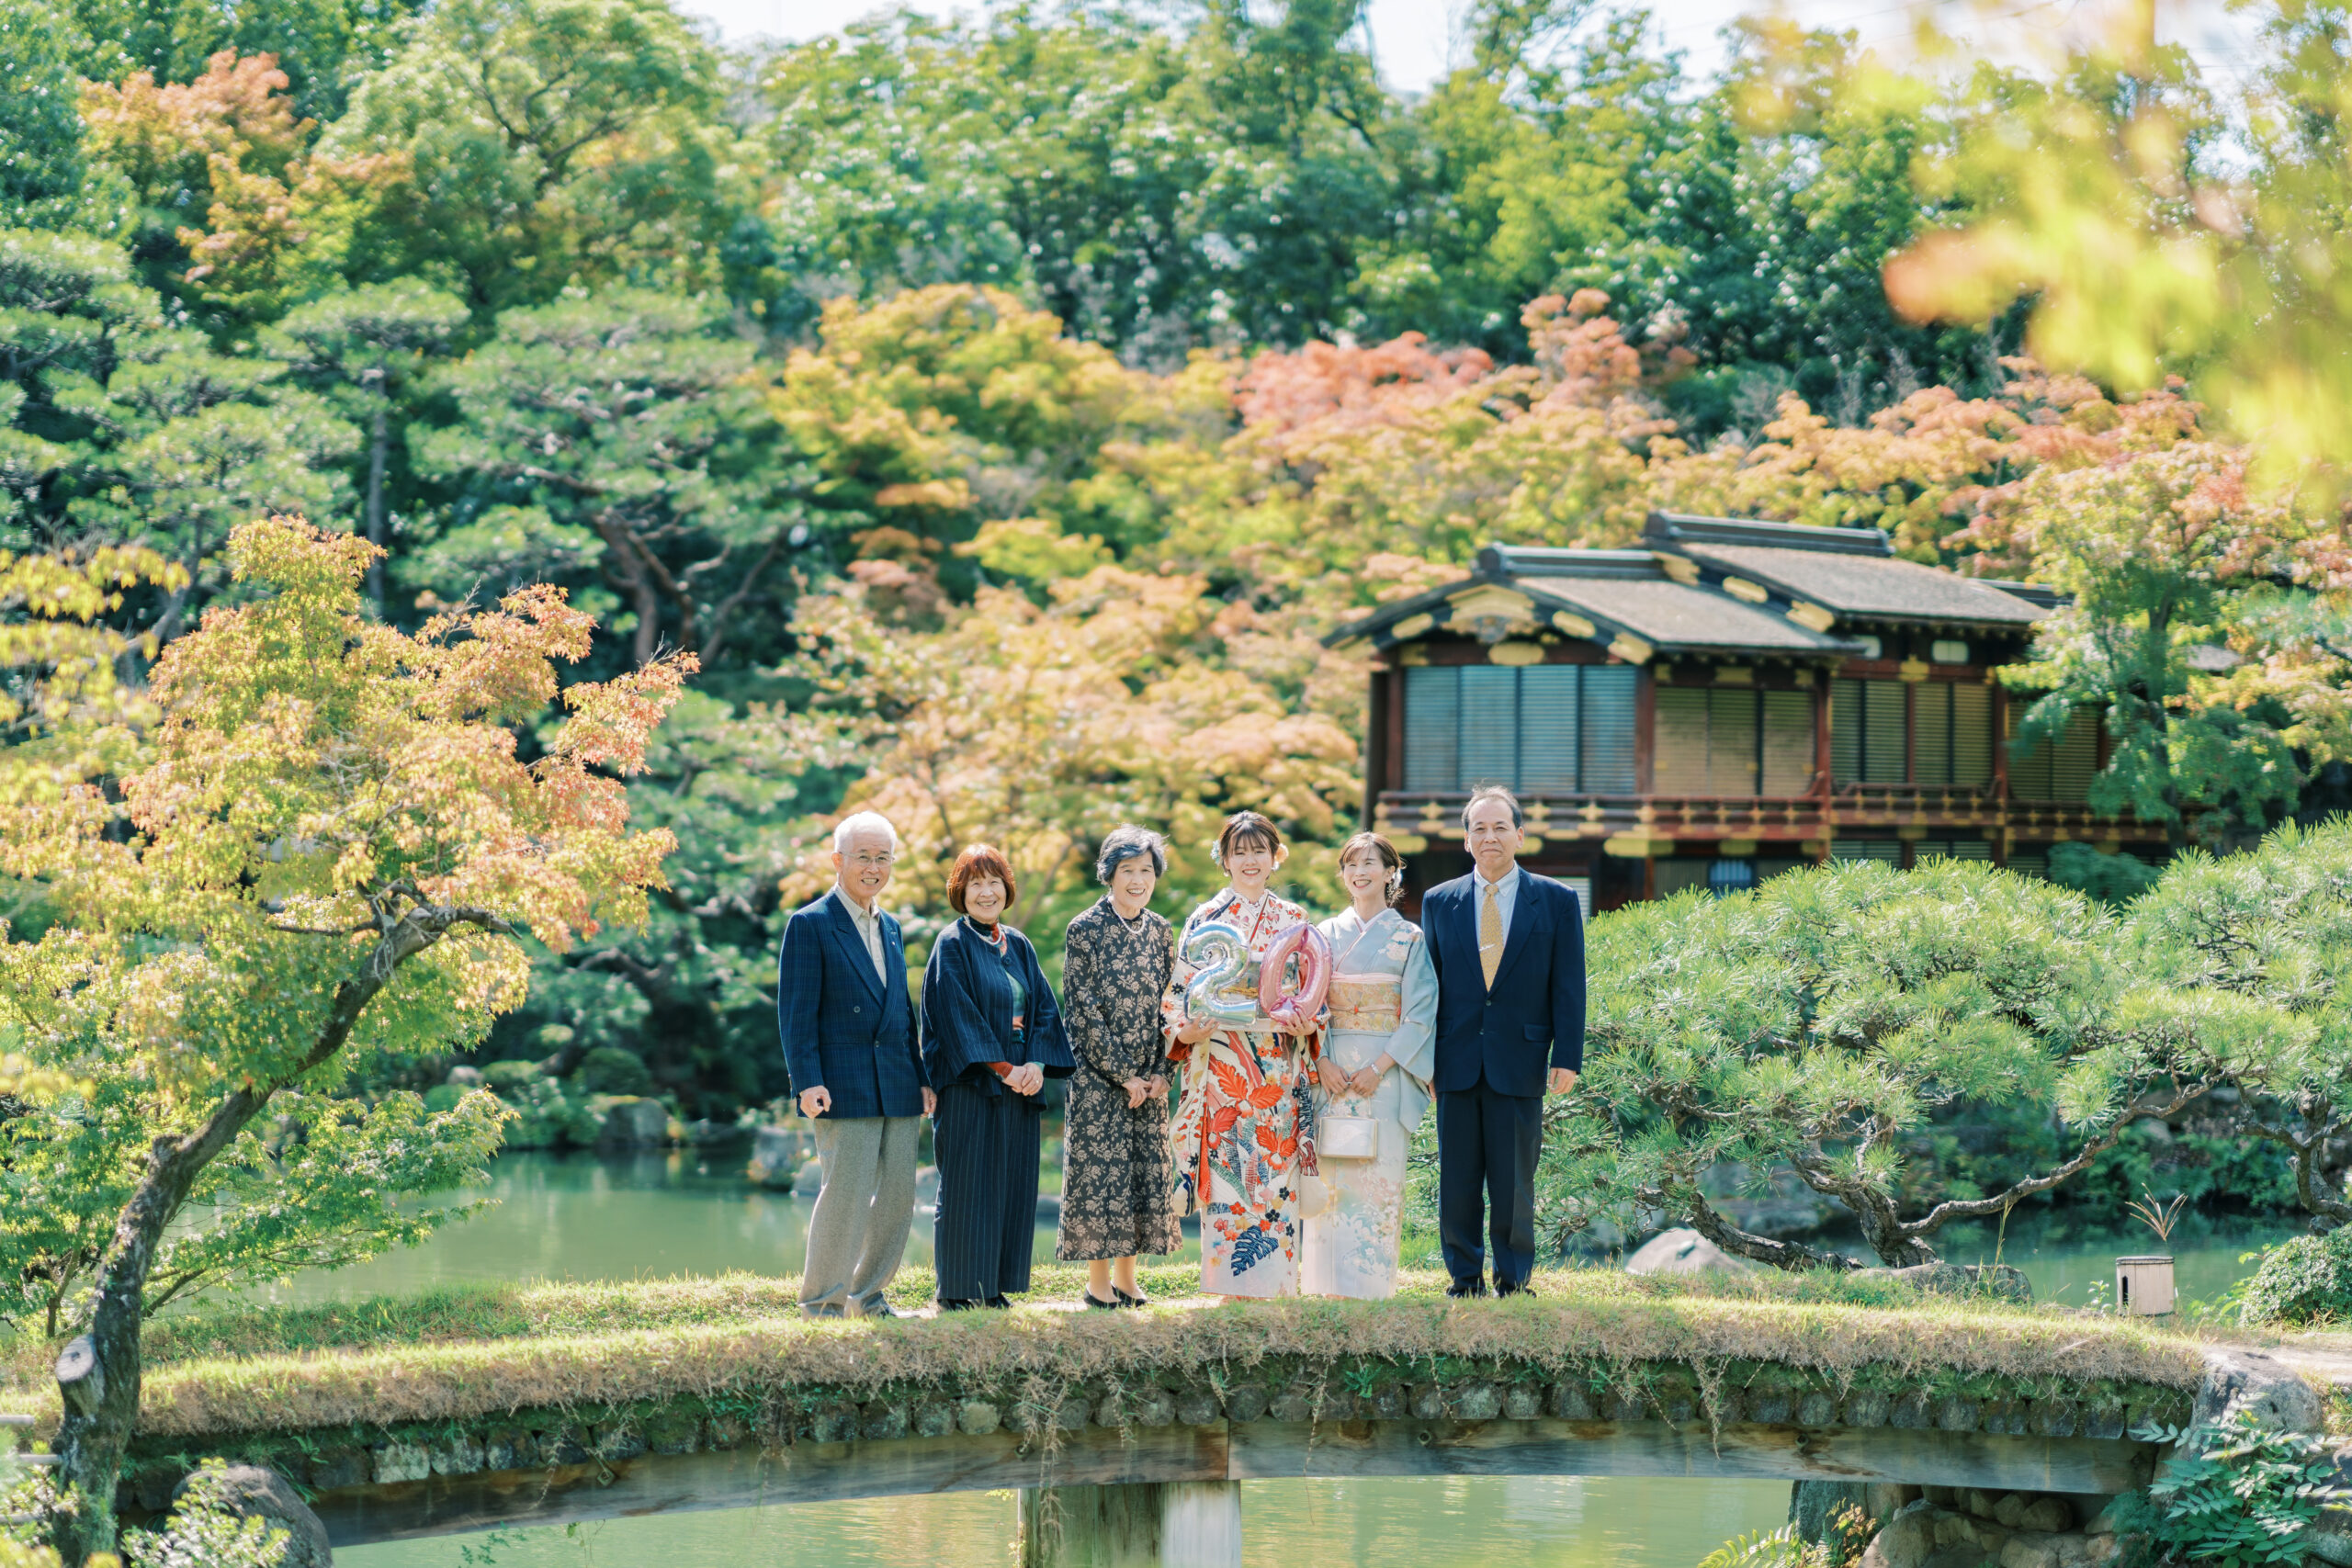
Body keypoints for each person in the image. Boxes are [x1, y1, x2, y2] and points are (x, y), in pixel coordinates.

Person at [1418, 785, 1584, 1298]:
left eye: (1499, 827)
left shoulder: (1556, 900)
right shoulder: (1439, 901)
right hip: (1455, 1059)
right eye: (1479, 829)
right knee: (1458, 1180)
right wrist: (1424, 1061)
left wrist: (1568, 1056)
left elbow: (1570, 983)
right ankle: (1462, 1279)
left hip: (1523, 1057)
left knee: (1515, 1182)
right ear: (1466, 840)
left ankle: (1513, 1281)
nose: (1489, 837)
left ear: (1520, 834)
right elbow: (1428, 988)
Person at [777, 810, 934, 1319]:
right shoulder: (810, 924)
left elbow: (901, 1010)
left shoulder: (890, 926)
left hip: (899, 1082)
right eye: (863, 857)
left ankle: (868, 1298)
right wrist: (806, 1081)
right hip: (841, 1083)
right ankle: (822, 1302)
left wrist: (923, 1077)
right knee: (844, 1197)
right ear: (838, 860)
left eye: (882, 857)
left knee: (895, 1200)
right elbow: (796, 1011)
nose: (873, 867)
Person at [1163, 810, 1322, 1299]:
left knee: (1276, 1172)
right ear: (1224, 860)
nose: (1250, 861)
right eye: (1239, 852)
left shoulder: (1294, 920)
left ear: (1276, 857)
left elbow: (1315, 994)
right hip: (1223, 1064)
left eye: (1259, 851)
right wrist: (1187, 1029)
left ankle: (1277, 1287)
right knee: (1230, 1169)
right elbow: (1177, 995)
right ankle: (1230, 1286)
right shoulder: (1204, 919)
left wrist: (1307, 1022)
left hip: (1277, 1063)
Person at [922, 844, 1073, 1310]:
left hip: (1021, 1078)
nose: (986, 893)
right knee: (967, 1183)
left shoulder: (1018, 943)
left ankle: (994, 1287)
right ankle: (959, 1291)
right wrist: (1006, 1069)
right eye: (975, 884)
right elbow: (956, 1016)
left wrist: (1037, 1067)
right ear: (959, 891)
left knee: (1012, 1181)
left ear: (1006, 888)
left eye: (994, 883)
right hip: (971, 1080)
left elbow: (1046, 1010)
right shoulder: (952, 942)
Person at [1301, 832, 1437, 1300]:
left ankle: (1371, 1289)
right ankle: (1323, 1287)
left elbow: (1420, 1013)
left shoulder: (1410, 937)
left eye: (1370, 863)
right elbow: (1306, 1006)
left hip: (1385, 1072)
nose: (1360, 872)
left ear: (1390, 873)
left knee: (1377, 1182)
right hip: (1333, 1074)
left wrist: (1379, 1067)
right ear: (1342, 874)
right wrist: (1320, 1060)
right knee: (1330, 1183)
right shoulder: (1321, 936)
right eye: (1351, 864)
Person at [1056, 826, 1182, 1309]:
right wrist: (1122, 1074)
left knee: (1141, 1175)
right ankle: (1097, 1283)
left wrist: (1156, 1074)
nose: (1137, 880)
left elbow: (1171, 1004)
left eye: (1146, 871)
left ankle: (1129, 1281)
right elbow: (1081, 1009)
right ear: (1109, 874)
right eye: (1127, 870)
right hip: (1098, 1078)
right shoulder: (1083, 929)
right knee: (1100, 1178)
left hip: (1147, 1082)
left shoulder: (1161, 930)